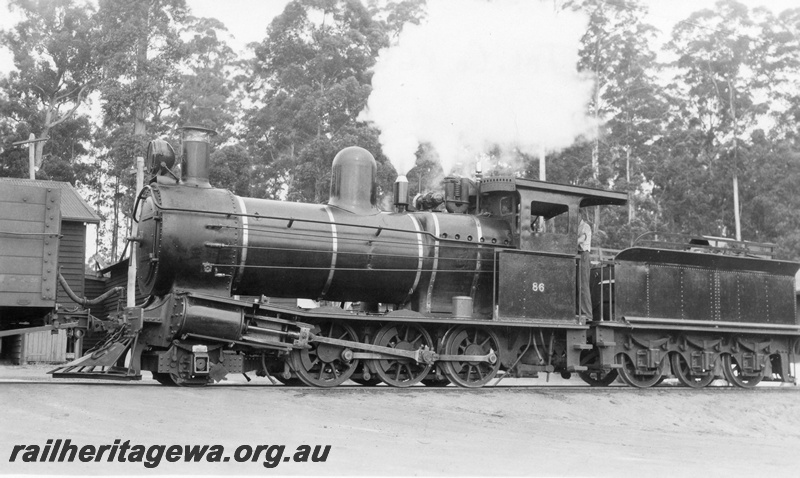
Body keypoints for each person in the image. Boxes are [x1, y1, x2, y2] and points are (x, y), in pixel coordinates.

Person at [577, 211, 592, 318]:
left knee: (583, 285)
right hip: (577, 255)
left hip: (583, 255)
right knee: (577, 284)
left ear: (579, 215)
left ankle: (587, 314)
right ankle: (579, 312)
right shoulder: (576, 227)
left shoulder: (585, 227)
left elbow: (582, 239)